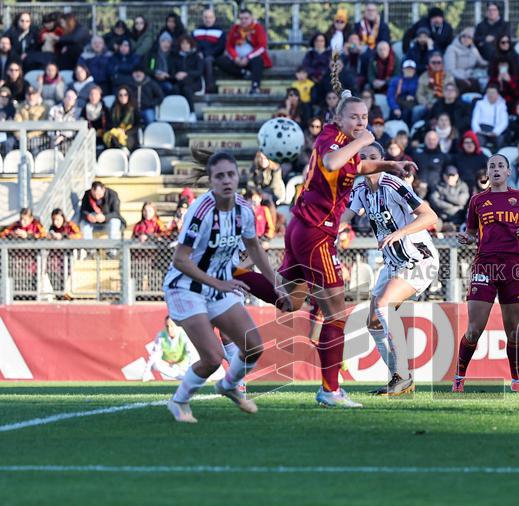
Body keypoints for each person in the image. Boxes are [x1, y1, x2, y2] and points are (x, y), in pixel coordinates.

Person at [232, 56, 416, 408]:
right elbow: (334, 162)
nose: (361, 123)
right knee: (336, 313)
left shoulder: (342, 141)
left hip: (303, 228)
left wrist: (390, 163)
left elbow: (355, 165)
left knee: (289, 301)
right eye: (355, 118)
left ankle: (232, 273)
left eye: (364, 118)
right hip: (316, 231)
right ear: (338, 118)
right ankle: (330, 390)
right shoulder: (331, 140)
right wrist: (365, 139)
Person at [162, 150, 284, 422]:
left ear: (238, 176)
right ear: (211, 181)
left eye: (231, 174)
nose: (226, 180)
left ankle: (229, 385)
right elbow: (180, 260)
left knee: (253, 346)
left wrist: (276, 283)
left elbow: (254, 247)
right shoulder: (200, 211)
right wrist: (220, 283)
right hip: (185, 288)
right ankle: (179, 402)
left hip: (219, 286)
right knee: (213, 357)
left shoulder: (244, 209)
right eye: (220, 176)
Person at [341, 142, 439, 395]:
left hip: (419, 259)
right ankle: (399, 378)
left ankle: (403, 376)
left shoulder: (394, 184)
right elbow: (346, 216)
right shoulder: (360, 187)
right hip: (393, 262)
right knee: (373, 321)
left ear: (382, 160)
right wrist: (332, 231)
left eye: (373, 157)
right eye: (363, 158)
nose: (368, 162)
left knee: (383, 304)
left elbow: (430, 216)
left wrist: (399, 233)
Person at [452, 154, 519, 393]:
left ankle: (517, 381)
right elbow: (470, 233)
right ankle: (459, 377)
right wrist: (466, 239)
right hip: (485, 265)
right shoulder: (477, 200)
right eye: (492, 166)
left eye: (501, 165)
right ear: (487, 173)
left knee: (514, 330)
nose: (496, 169)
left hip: (513, 266)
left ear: (508, 171)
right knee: (474, 328)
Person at [217, 8, 271, 93]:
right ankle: (243, 73)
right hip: (237, 59)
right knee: (220, 60)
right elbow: (229, 45)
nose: (243, 21)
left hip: (251, 59)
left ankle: (255, 86)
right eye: (241, 19)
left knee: (258, 60)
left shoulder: (258, 28)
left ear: (251, 18)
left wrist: (248, 57)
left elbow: (262, 47)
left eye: (246, 18)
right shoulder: (235, 28)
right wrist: (235, 58)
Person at [142, 315, 198, 382]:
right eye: (167, 326)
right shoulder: (161, 335)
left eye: (172, 326)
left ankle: (191, 377)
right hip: (168, 365)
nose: (169, 329)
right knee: (155, 364)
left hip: (183, 365)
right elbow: (154, 354)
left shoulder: (184, 335)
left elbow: (192, 355)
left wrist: (191, 373)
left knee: (197, 362)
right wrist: (146, 373)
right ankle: (182, 378)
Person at [193, 8, 226, 93]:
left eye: (210, 17)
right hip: (198, 56)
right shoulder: (196, 31)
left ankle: (209, 87)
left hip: (214, 57)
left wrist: (206, 54)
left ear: (214, 18)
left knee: (207, 60)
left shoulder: (220, 32)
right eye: (206, 17)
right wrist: (198, 53)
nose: (208, 20)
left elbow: (220, 47)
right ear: (202, 18)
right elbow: (193, 44)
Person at [444, 28, 486, 93]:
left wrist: (494, 62)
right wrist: (463, 78)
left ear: (472, 40)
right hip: (455, 76)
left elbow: (481, 62)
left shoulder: (473, 49)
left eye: (469, 37)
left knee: (479, 83)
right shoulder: (451, 49)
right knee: (468, 84)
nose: (466, 39)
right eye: (463, 36)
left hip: (469, 75)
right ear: (460, 37)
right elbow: (450, 69)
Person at [470, 83, 508, 151]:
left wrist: (496, 132)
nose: (491, 94)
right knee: (478, 141)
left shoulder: (502, 105)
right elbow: (474, 119)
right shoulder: (480, 103)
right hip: (481, 129)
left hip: (495, 130)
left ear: (497, 94)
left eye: (493, 92)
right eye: (489, 92)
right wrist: (477, 130)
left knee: (500, 142)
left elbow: (504, 122)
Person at [430, 165, 469, 231]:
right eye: (448, 176)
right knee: (434, 227)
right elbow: (434, 202)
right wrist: (452, 206)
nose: (450, 178)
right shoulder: (438, 186)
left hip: (457, 218)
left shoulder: (463, 186)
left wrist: (445, 197)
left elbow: (461, 201)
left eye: (453, 176)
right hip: (440, 217)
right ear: (444, 176)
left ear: (457, 176)